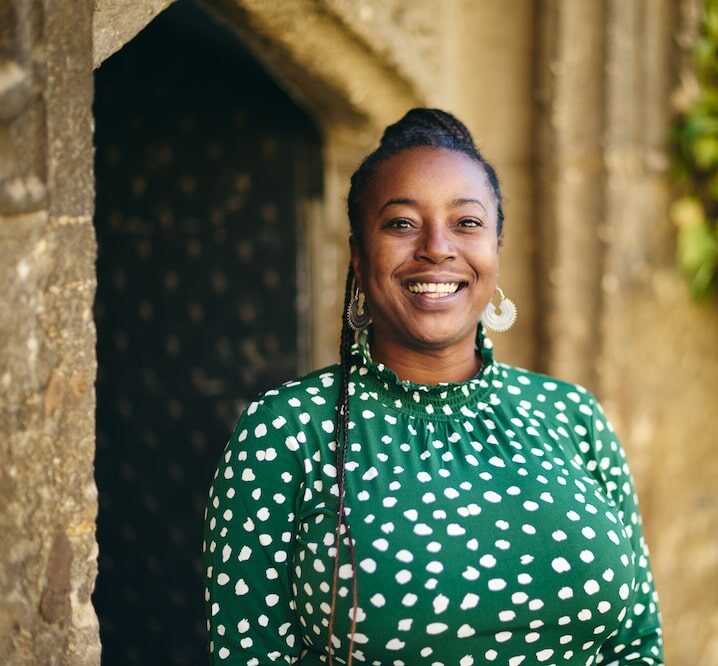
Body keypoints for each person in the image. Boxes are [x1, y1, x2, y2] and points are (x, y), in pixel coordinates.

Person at [203, 108, 663, 665]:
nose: (437, 248)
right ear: (357, 253)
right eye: (401, 224)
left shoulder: (571, 415)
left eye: (467, 223)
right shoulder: (287, 430)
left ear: (496, 246)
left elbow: (637, 642)